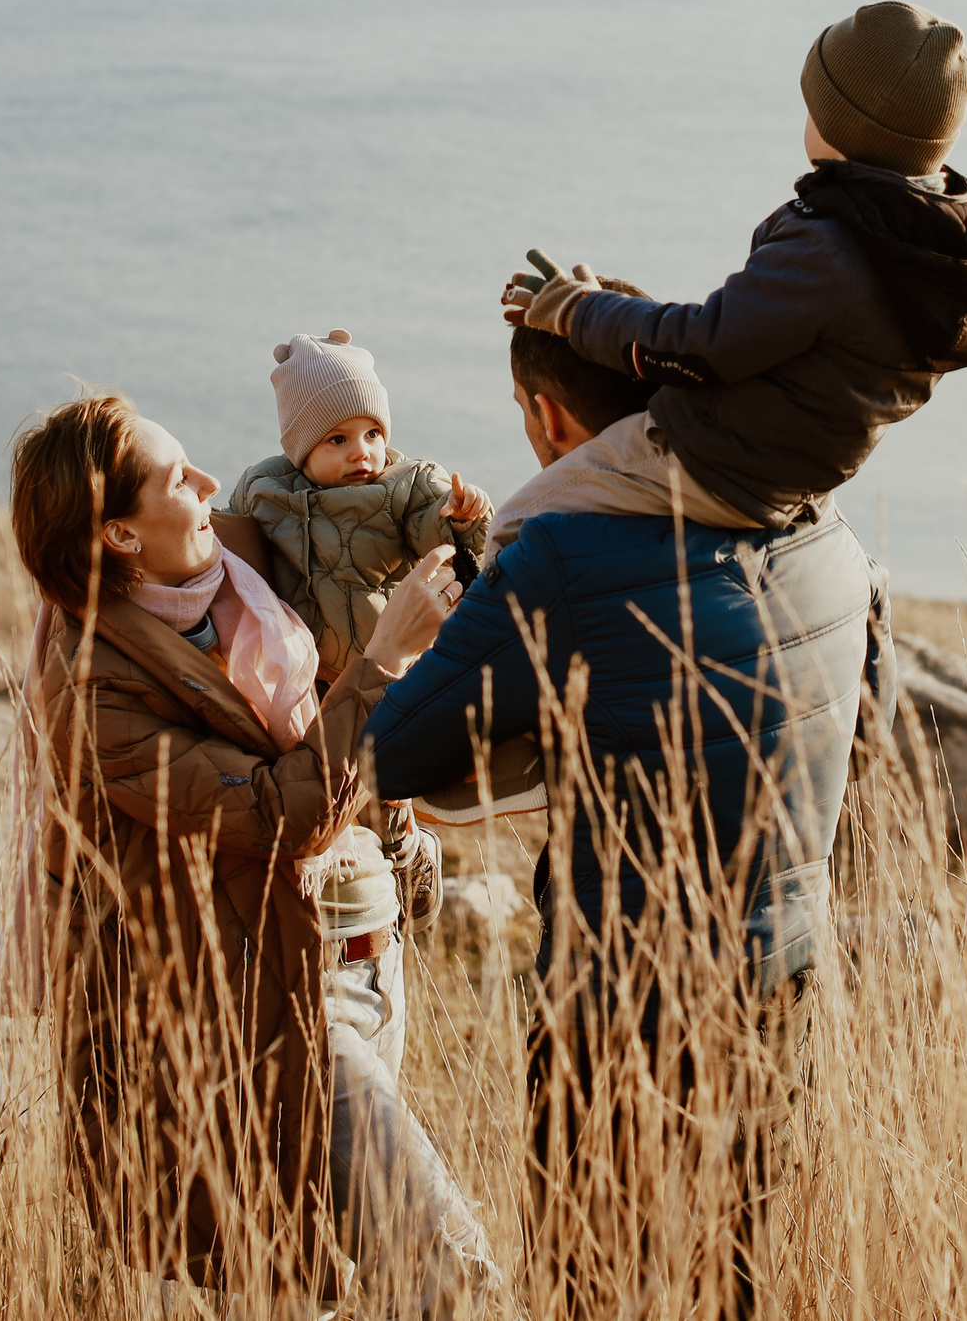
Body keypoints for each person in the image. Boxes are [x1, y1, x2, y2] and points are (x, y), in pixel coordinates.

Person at [359, 317, 898, 1317]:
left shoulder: (559, 554)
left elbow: (392, 752)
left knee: (591, 1289)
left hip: (618, 1002)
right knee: (732, 1282)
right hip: (781, 979)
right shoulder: (824, 524)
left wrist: (401, 645)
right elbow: (865, 733)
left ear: (549, 415)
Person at [4, 392, 500, 1317]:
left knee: (352, 1278)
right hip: (268, 1003)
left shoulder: (239, 562)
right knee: (445, 1266)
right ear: (119, 534)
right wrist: (385, 658)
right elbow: (277, 813)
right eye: (175, 478)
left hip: (367, 955)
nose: (206, 482)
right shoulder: (98, 690)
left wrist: (449, 516)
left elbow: (363, 515)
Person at [500, 0, 967, 534]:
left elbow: (705, 346)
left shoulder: (830, 247)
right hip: (796, 475)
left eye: (813, 107)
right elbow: (771, 345)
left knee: (519, 521)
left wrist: (579, 312)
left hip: (715, 465)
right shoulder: (938, 252)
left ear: (842, 128)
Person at [225, 329, 493, 685]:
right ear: (300, 449)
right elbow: (226, 539)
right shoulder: (265, 490)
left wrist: (461, 517)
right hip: (305, 674)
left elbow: (434, 531)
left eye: (372, 434)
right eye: (338, 439)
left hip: (397, 665)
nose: (361, 452)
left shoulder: (407, 486)